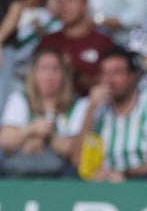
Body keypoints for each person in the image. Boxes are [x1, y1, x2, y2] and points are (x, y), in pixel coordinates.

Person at [74, 45, 147, 180]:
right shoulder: (91, 107)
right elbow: (77, 160)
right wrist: (91, 111)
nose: (109, 81)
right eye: (104, 73)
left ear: (133, 76)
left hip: (145, 183)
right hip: (100, 183)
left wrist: (126, 176)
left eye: (117, 73)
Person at [0, 47, 88, 177]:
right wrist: (31, 130)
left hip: (62, 177)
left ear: (64, 74)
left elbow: (74, 150)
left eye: (55, 69)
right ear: (33, 74)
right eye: (44, 69)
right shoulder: (20, 100)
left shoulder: (78, 105)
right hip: (18, 172)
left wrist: (48, 136)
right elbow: (5, 140)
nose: (49, 76)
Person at [37, 0, 114, 95]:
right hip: (54, 109)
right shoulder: (48, 43)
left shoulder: (103, 42)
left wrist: (74, 71)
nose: (64, 6)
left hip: (93, 107)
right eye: (60, 1)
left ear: (85, 6)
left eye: (70, 0)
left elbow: (110, 86)